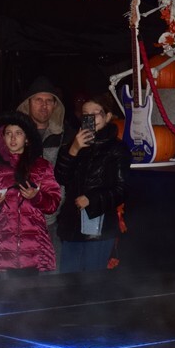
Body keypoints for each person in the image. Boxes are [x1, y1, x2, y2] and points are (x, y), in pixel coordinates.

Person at [54, 92, 130, 272]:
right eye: (86, 114)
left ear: (108, 116)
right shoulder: (72, 145)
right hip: (72, 227)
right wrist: (74, 150)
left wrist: (92, 199)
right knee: (68, 280)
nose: (90, 118)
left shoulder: (117, 149)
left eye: (95, 114)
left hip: (99, 228)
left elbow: (122, 189)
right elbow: (60, 178)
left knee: (92, 281)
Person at [0, 111, 61, 275]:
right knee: (5, 290)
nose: (13, 138)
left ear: (27, 139)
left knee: (33, 289)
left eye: (18, 133)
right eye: (8, 133)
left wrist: (36, 197)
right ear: (2, 138)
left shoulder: (42, 166)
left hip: (35, 245)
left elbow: (53, 203)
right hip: (4, 245)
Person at [15, 76, 69, 269]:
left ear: (55, 105)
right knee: (16, 280)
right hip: (17, 221)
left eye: (49, 101)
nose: (44, 105)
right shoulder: (12, 133)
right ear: (28, 103)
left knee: (51, 278)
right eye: (38, 100)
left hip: (51, 220)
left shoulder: (65, 136)